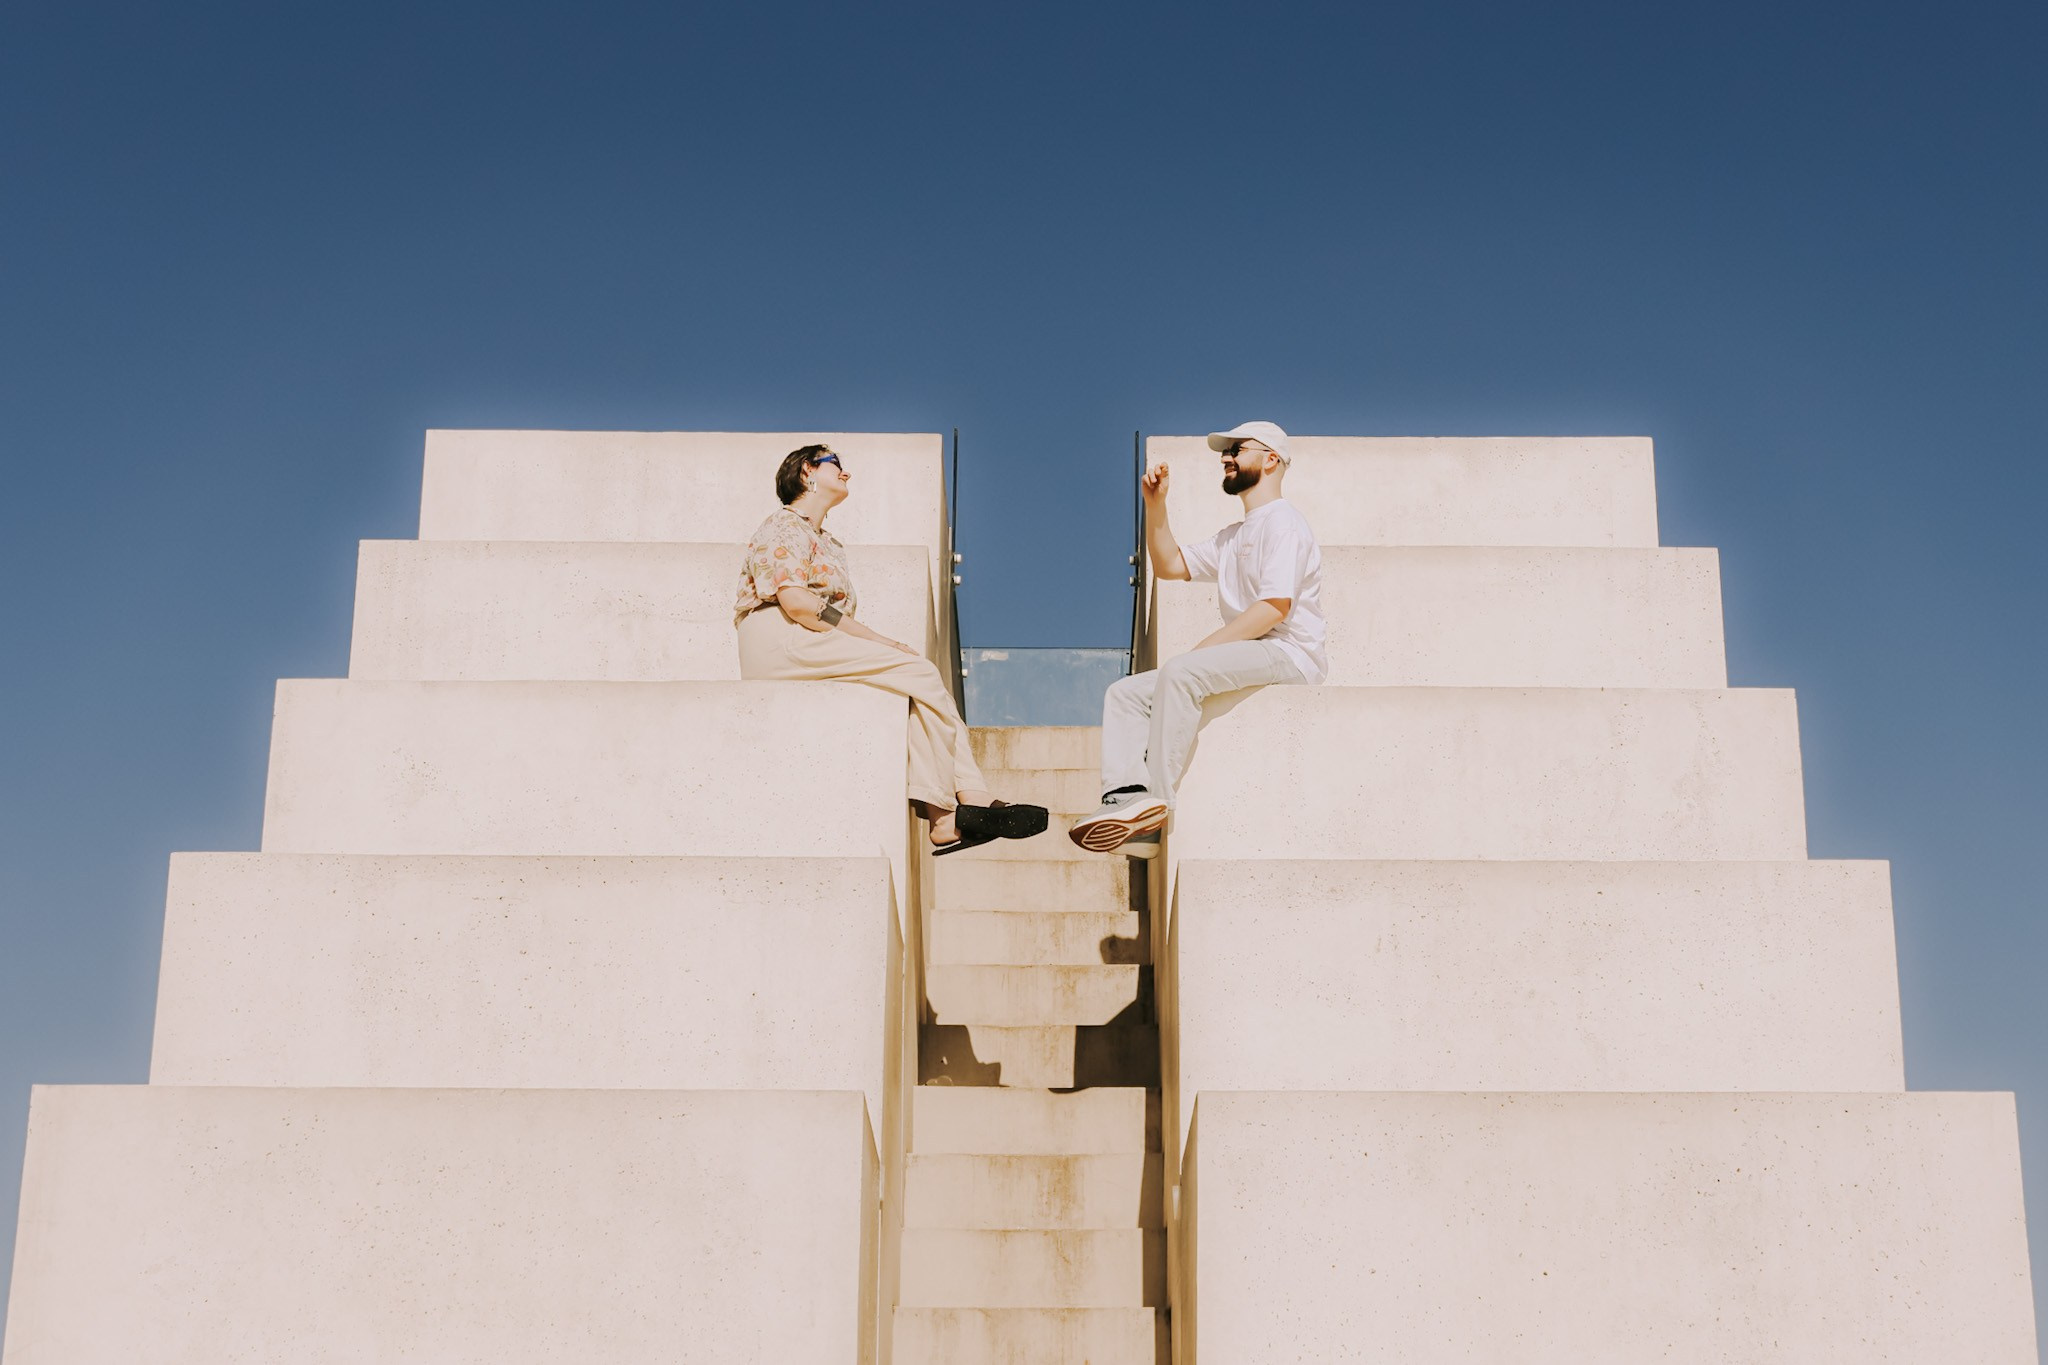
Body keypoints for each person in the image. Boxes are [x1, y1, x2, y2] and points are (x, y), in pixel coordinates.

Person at [735, 443, 1047, 854]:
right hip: (778, 637)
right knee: (919, 670)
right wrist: (877, 640)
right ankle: (971, 796)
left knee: (912, 691)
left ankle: (945, 820)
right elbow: (797, 604)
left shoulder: (827, 542)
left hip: (804, 639)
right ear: (808, 472)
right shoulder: (785, 525)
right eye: (836, 465)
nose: (846, 474)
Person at [1070, 420, 1327, 855]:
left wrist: (1200, 652)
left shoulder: (1284, 522)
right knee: (1125, 694)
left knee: (1183, 672)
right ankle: (1128, 799)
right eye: (1224, 453)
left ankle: (1156, 807)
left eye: (1237, 450)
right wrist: (1155, 505)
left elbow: (1274, 609)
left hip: (1290, 653)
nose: (1226, 458)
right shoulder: (1233, 537)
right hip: (1255, 650)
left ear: (1271, 459)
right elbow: (1169, 565)